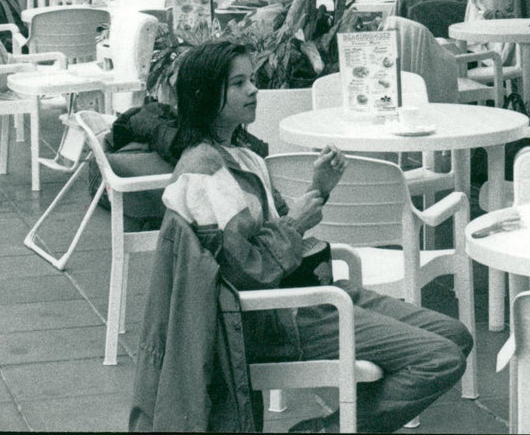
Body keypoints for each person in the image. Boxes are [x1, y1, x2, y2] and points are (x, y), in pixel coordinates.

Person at [162, 40, 472, 434]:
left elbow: (268, 231)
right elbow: (242, 271)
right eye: (238, 83)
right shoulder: (205, 171)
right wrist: (296, 226)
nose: (253, 89)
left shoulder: (240, 154)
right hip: (277, 319)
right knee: (439, 358)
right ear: (205, 95)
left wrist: (319, 189)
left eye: (252, 79)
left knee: (455, 335)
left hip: (305, 295)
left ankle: (342, 426)